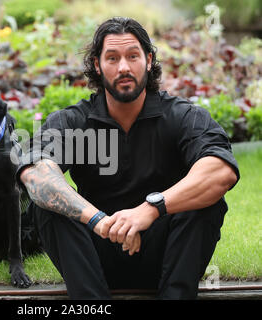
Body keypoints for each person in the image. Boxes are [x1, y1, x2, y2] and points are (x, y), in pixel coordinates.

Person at [16, 17, 240, 299]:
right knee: (48, 203)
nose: (123, 67)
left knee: (204, 200)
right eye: (112, 57)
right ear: (97, 65)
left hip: (166, 256)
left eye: (132, 56)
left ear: (148, 61)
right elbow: (35, 175)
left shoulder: (183, 116)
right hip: (93, 258)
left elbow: (221, 171)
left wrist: (149, 210)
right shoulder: (72, 121)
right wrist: (99, 220)